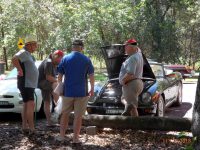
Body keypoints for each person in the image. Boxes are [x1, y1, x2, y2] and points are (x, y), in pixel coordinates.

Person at [56, 39, 94, 143]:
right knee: (78, 116)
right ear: (81, 48)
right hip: (82, 92)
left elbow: (59, 75)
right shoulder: (86, 59)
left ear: (72, 47)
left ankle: (62, 136)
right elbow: (91, 75)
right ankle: (75, 138)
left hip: (68, 92)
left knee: (65, 114)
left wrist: (60, 87)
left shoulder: (65, 58)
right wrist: (92, 89)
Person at [12, 35, 39, 134]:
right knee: (30, 104)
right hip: (26, 83)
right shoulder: (23, 52)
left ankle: (24, 126)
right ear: (30, 45)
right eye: (35, 45)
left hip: (28, 83)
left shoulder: (27, 53)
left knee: (26, 104)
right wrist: (20, 70)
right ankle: (31, 128)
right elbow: (14, 58)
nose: (36, 47)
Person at [38, 50, 64, 126]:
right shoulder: (49, 62)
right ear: (56, 56)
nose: (60, 61)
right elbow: (48, 77)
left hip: (44, 83)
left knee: (46, 102)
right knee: (57, 84)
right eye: (60, 59)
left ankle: (49, 122)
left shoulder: (51, 62)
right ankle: (59, 104)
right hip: (44, 83)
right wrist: (59, 81)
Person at [119, 38, 144, 117]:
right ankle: (128, 106)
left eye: (126, 46)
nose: (125, 48)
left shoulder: (132, 58)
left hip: (130, 84)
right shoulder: (138, 54)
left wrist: (123, 81)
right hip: (137, 83)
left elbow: (130, 73)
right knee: (123, 99)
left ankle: (136, 127)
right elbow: (137, 48)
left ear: (132, 47)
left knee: (133, 108)